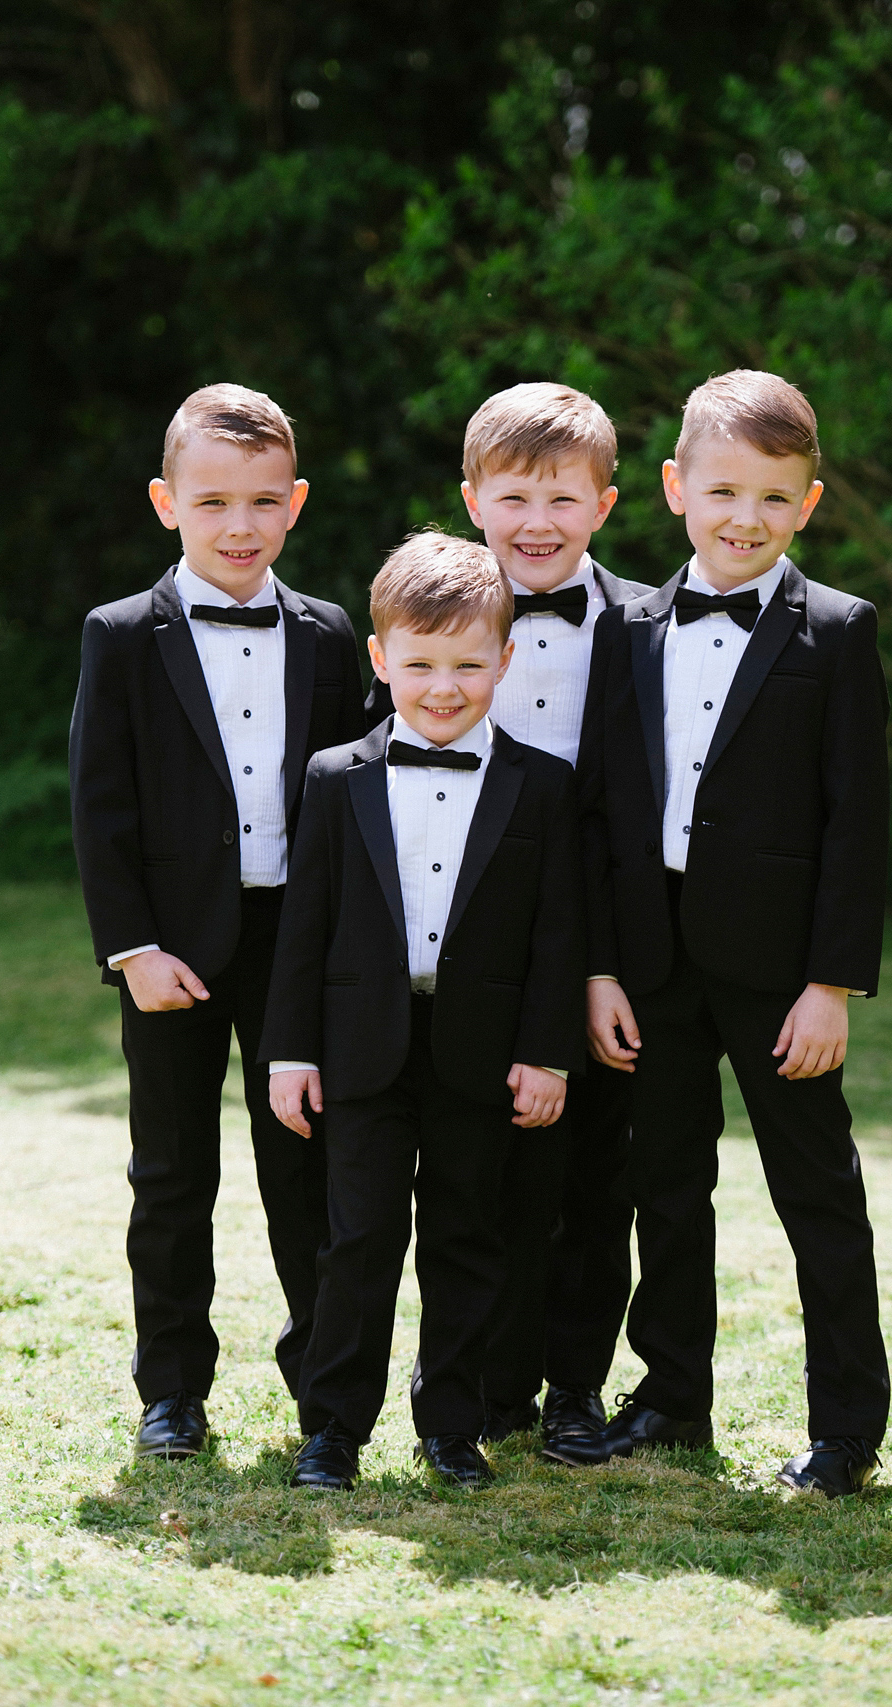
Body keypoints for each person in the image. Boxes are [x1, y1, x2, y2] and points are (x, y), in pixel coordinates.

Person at [568, 369, 891, 1497]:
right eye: (723, 491)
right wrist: (603, 965)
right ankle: (670, 1401)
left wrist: (831, 984)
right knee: (664, 1185)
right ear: (674, 489)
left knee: (819, 1194)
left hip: (781, 973)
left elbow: (858, 825)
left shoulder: (839, 634)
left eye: (771, 496)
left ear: (808, 503)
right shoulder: (629, 626)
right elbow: (606, 809)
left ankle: (846, 1429)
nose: (743, 517)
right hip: (653, 962)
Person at [69, 383, 365, 1460]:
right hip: (172, 952)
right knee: (172, 1172)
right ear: (167, 503)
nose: (237, 527)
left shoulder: (333, 638)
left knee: (308, 1170)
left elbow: (353, 804)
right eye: (211, 504)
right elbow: (100, 806)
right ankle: (173, 1392)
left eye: (258, 502)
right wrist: (131, 948)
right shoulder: (122, 637)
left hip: (300, 949)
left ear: (293, 504)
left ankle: (323, 1388)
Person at [260, 532, 584, 1491]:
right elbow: (302, 930)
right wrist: (288, 1052)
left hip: (480, 1053)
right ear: (381, 658)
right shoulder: (333, 777)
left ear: (504, 660)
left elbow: (558, 935)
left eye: (468, 665)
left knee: (463, 1238)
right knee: (355, 1240)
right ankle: (334, 1428)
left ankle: (453, 1420)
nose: (444, 687)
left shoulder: (543, 786)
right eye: (421, 665)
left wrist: (547, 1053)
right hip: (361, 1050)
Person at [367, 383, 653, 1460]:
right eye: (515, 496)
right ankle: (491, 1386)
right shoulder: (431, 627)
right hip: (474, 949)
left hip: (606, 946)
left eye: (562, 499)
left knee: (595, 1178)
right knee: (489, 1180)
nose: (538, 522)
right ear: (472, 500)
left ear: (605, 506)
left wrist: (606, 964)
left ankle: (577, 1386)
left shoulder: (643, 625)